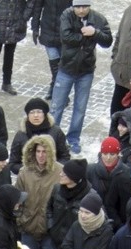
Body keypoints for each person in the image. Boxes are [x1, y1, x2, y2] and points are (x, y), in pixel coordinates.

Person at [49, 2, 113, 157]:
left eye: (85, 7)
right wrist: (87, 37)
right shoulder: (67, 15)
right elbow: (66, 37)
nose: (81, 10)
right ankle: (51, 138)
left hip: (86, 70)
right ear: (73, 7)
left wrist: (95, 32)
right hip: (66, 68)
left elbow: (108, 41)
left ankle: (73, 138)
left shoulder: (98, 18)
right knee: (57, 106)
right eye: (78, 7)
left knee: (80, 108)